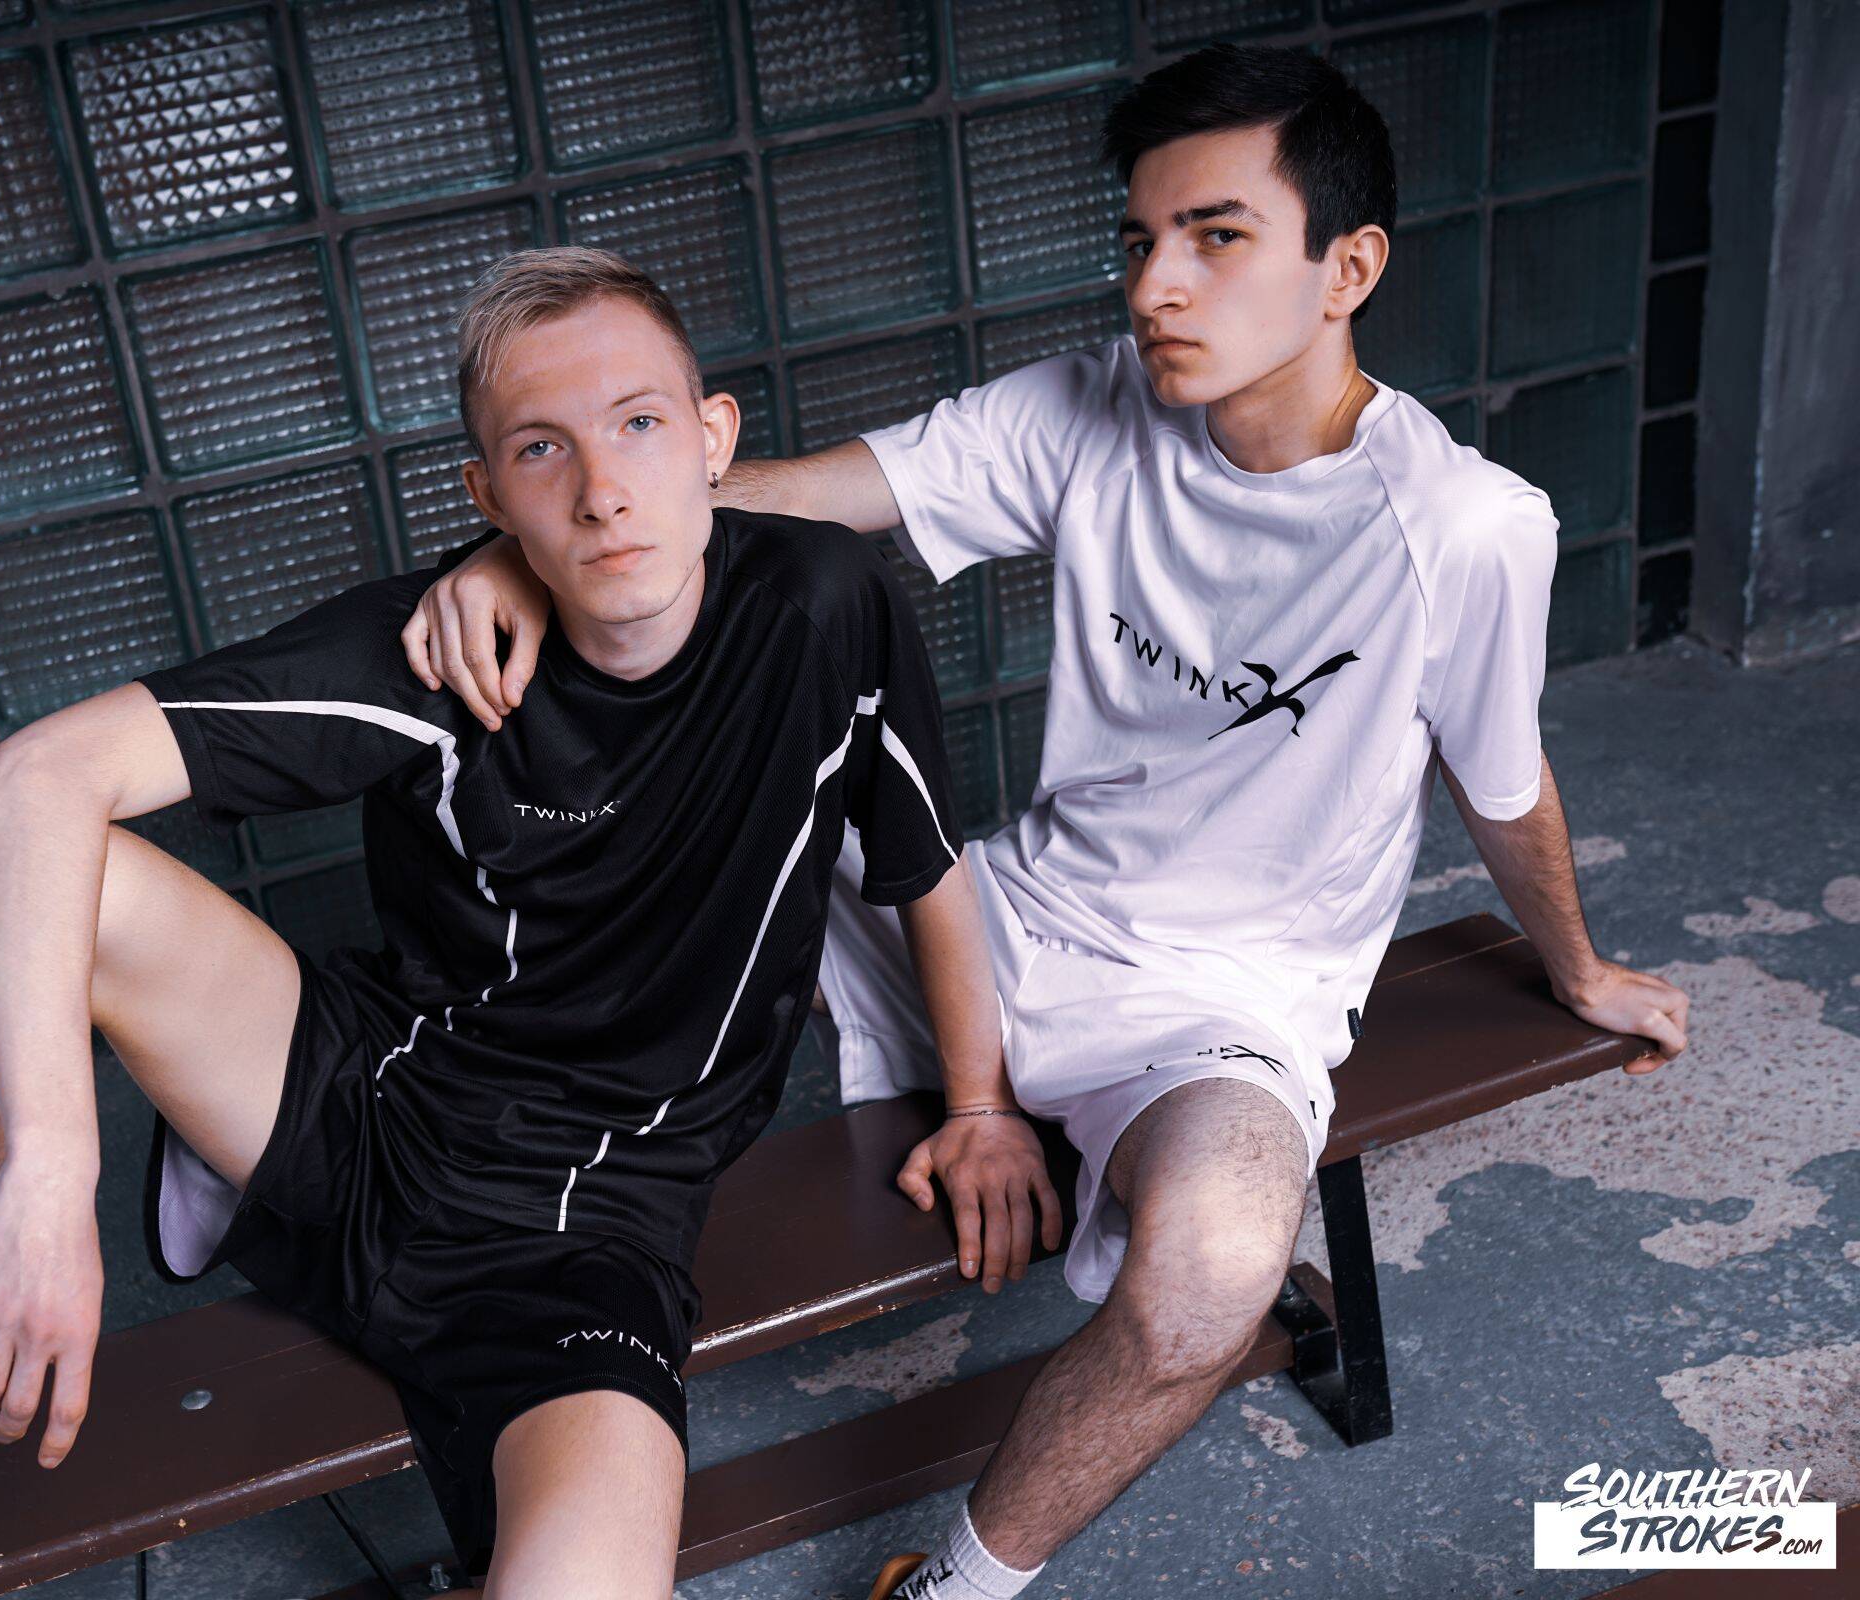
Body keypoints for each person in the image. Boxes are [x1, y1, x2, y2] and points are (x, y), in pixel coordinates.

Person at [0, 246, 1054, 1597]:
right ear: (487, 496)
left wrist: (980, 1104)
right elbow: (23, 785)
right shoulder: (434, 656)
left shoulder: (825, 607)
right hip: (363, 1104)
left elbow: (921, 861)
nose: (601, 486)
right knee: (12, 881)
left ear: (712, 436)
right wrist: (49, 1168)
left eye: (640, 424)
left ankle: (220, 1176)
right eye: (543, 448)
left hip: (588, 1239)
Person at [398, 45, 1694, 1600]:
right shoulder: (1087, 408)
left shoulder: (1464, 529)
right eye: (1139, 239)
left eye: (1215, 238)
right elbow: (788, 498)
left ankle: (951, 1586)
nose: (1155, 286)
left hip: (1219, 1005)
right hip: (990, 922)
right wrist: (517, 547)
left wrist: (1579, 967)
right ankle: (447, 1152)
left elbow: (1503, 778)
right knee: (722, 669)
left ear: (1347, 268)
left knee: (1214, 1273)